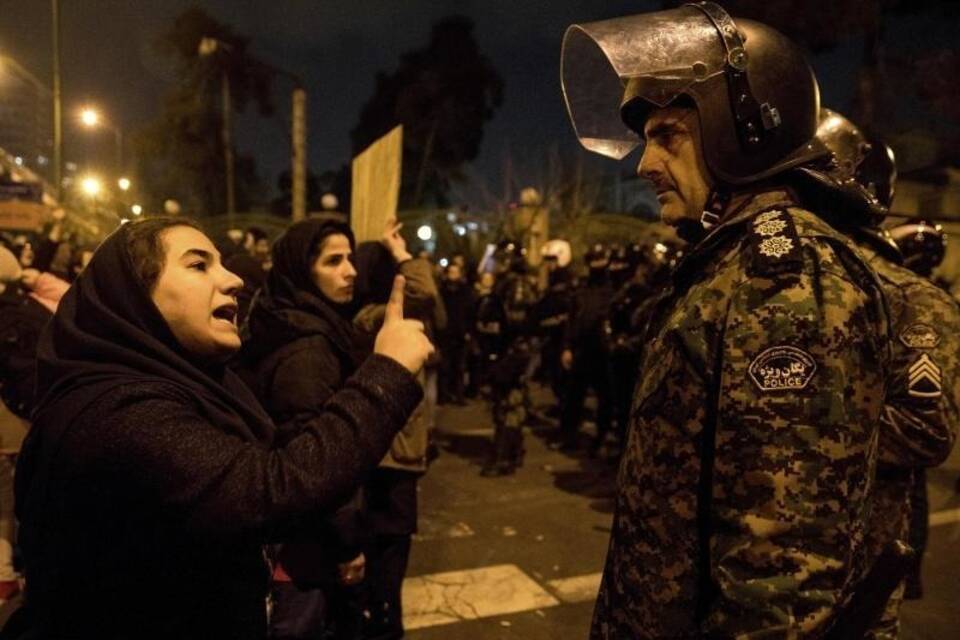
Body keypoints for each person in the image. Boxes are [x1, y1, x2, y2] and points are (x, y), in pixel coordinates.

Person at [561, 3, 892, 637]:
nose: (643, 165)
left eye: (668, 135)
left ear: (746, 129)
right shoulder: (728, 264)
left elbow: (780, 581)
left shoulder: (788, 286)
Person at [11, 217, 433, 639]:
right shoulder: (118, 412)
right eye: (199, 265)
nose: (232, 280)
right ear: (134, 296)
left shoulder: (179, 385)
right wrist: (388, 372)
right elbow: (271, 492)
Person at [809, 111, 960, 634]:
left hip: (850, 576)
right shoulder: (804, 284)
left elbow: (927, 430)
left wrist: (797, 427)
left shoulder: (909, 297)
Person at [241, 219, 368, 639]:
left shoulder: (295, 323)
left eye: (350, 258)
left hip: (293, 535)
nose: (350, 270)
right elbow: (318, 458)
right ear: (301, 270)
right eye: (334, 261)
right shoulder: (308, 351)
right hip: (303, 546)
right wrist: (346, 542)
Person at [352, 220, 444, 640]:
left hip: (379, 451)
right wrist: (403, 253)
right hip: (395, 452)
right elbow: (425, 290)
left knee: (377, 553)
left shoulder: (356, 316)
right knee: (389, 554)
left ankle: (381, 617)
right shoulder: (379, 319)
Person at [558, 243, 613, 453]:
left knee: (605, 398)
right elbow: (571, 320)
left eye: (600, 260)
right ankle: (570, 437)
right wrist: (567, 347)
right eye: (593, 260)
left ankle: (600, 438)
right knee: (574, 396)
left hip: (602, 351)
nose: (597, 264)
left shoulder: (611, 289)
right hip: (582, 349)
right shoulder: (582, 288)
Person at [438, 262, 472, 405]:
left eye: (455, 272)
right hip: (446, 333)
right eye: (450, 272)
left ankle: (459, 395)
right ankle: (444, 395)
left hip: (460, 333)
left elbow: (470, 312)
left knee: (459, 366)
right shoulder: (442, 291)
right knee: (444, 366)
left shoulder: (465, 291)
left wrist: (468, 330)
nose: (453, 275)